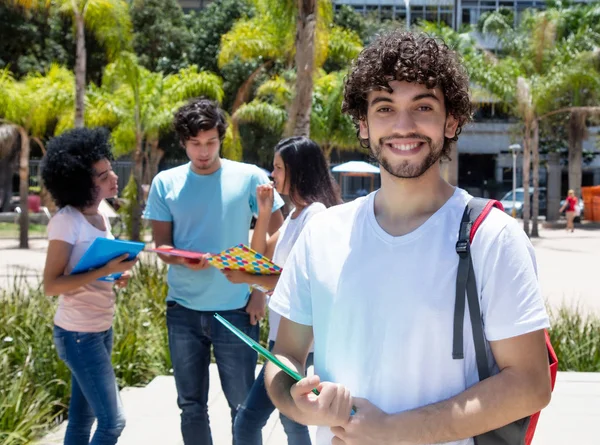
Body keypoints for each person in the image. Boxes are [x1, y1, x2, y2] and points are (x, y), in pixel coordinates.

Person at [264, 30, 552, 445]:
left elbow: (529, 384)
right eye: (384, 108)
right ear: (363, 124)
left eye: (422, 106)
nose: (403, 126)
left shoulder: (492, 236)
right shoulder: (323, 233)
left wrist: (394, 432)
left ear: (451, 120)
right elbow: (285, 353)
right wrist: (295, 400)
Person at [143, 98, 285, 445]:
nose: (203, 151)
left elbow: (280, 239)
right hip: (183, 311)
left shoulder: (250, 176)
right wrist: (182, 259)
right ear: (183, 143)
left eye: (210, 142)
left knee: (243, 408)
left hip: (236, 310)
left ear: (221, 139)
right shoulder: (165, 182)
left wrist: (258, 291)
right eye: (195, 144)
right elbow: (162, 247)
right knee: (190, 406)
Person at [222, 136, 341, 445]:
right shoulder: (294, 215)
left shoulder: (316, 216)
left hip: (301, 347)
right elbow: (259, 256)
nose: (271, 175)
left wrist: (253, 279)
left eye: (277, 168)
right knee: (292, 424)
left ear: (298, 170)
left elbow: (305, 287)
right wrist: (263, 213)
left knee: (248, 421)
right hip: (283, 343)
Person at [41, 128, 137, 445]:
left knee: (82, 421)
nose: (113, 177)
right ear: (81, 182)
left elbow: (92, 269)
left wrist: (114, 275)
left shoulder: (100, 215)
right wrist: (105, 270)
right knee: (113, 423)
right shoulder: (66, 220)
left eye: (111, 170)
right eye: (103, 175)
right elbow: (52, 285)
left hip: (100, 327)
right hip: (78, 334)